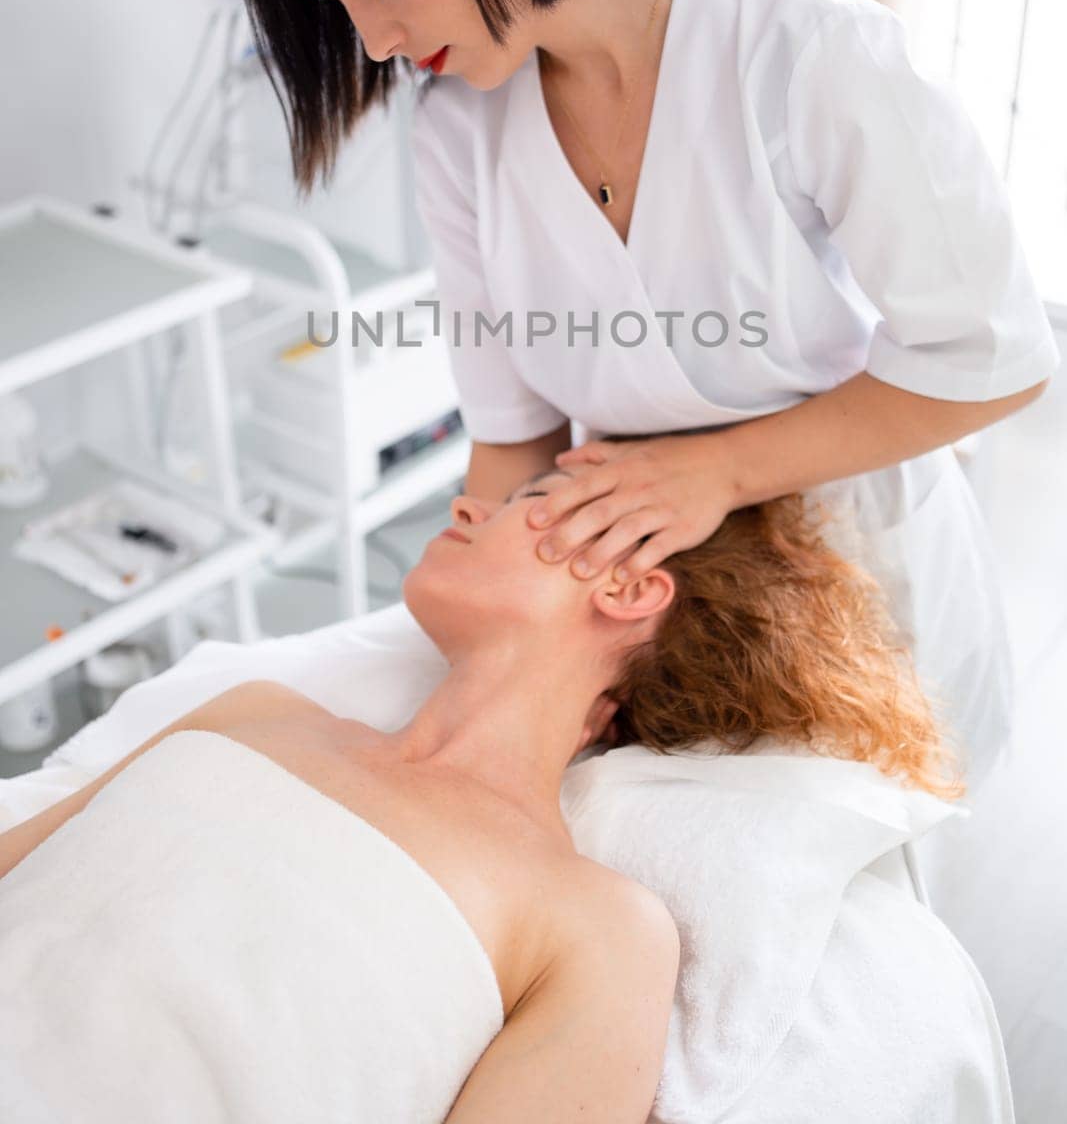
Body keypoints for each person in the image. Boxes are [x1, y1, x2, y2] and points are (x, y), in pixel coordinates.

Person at [234, 0, 1060, 796]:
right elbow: (512, 437)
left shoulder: (806, 57)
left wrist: (715, 470)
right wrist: (478, 669)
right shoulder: (461, 130)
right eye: (340, 8)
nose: (372, 39)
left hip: (858, 588)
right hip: (645, 636)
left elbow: (994, 361)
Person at [0, 463, 963, 1123]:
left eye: (533, 498)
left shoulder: (599, 931)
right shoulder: (253, 710)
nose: (468, 508)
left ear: (629, 585)